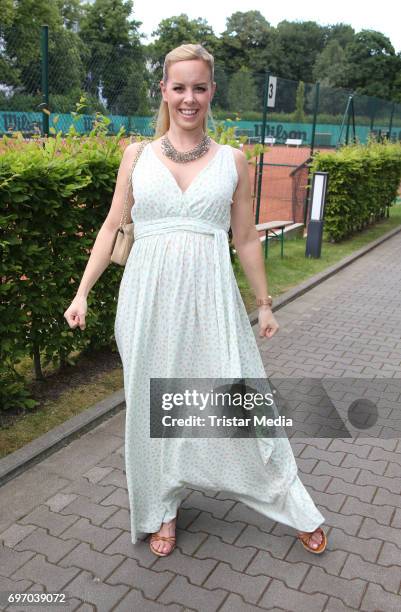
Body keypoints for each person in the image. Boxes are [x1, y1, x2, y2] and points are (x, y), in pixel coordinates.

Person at [64, 43, 328, 558]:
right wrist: (82, 294)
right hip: (145, 301)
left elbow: (246, 238)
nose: (189, 98)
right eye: (179, 87)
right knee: (151, 408)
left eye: (199, 88)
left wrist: (266, 303)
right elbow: (113, 224)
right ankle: (161, 507)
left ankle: (288, 500)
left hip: (211, 302)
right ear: (164, 90)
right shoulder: (136, 155)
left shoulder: (232, 159)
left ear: (211, 93)